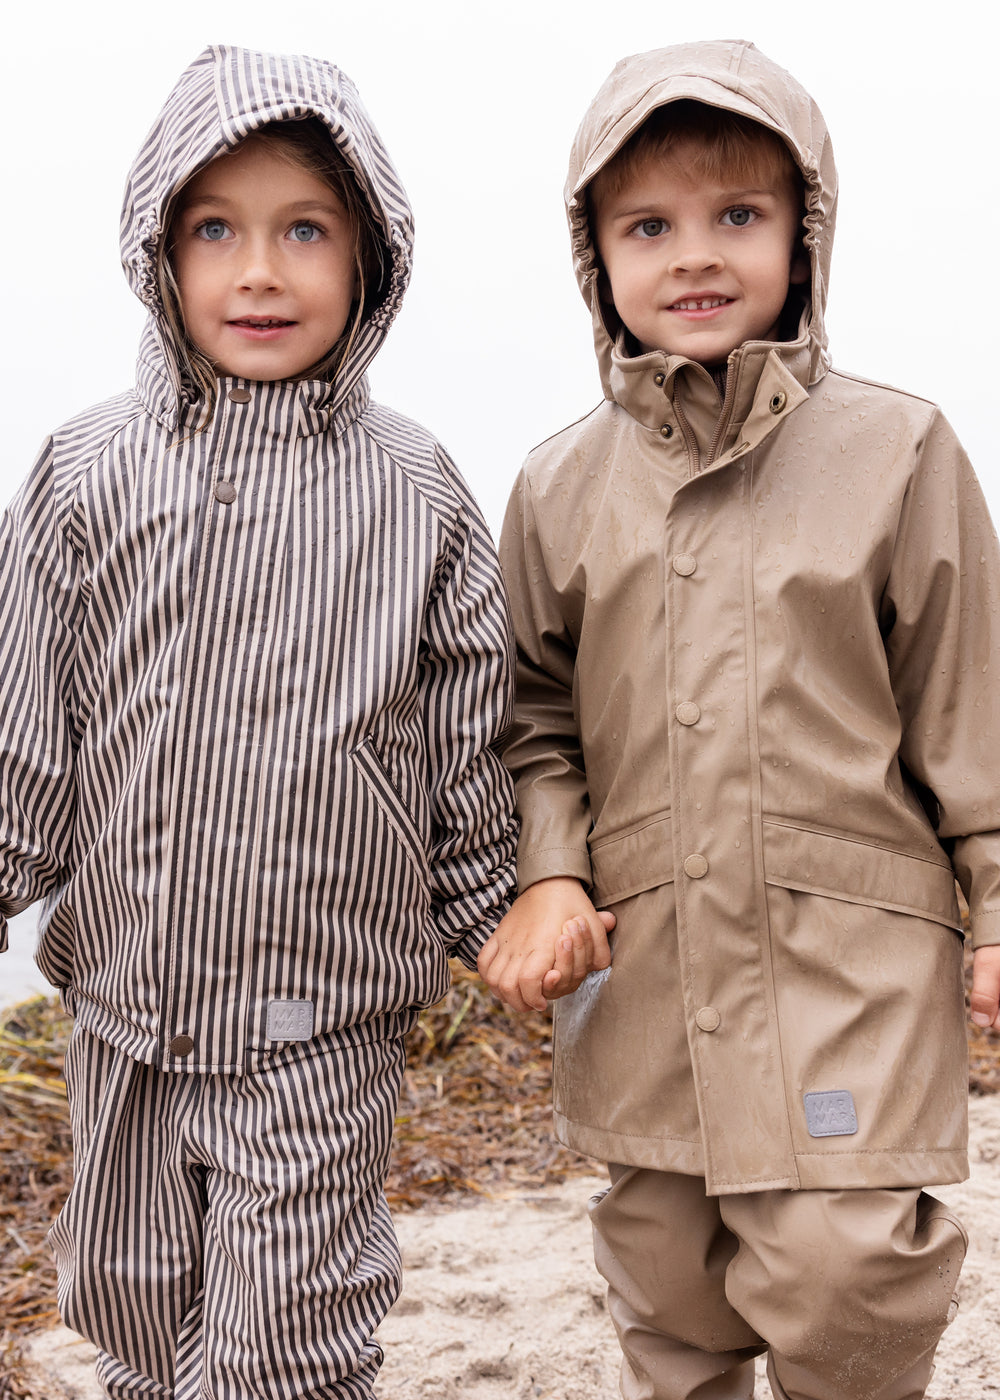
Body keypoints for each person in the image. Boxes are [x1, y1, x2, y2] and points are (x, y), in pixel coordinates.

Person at [478, 38, 1000, 1400]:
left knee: (847, 1266)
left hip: (850, 966)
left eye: (739, 217)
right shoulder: (557, 487)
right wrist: (549, 870)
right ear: (595, 255)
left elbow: (971, 701)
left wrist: (997, 903)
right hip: (643, 963)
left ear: (805, 235)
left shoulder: (898, 450)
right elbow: (535, 717)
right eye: (649, 225)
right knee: (668, 1275)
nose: (695, 256)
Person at [0, 44, 517, 1400]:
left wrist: (502, 908)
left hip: (320, 1010)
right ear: (158, 252)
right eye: (215, 229)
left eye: (305, 230)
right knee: (133, 1305)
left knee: (285, 1334)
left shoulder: (414, 489)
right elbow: (26, 737)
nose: (261, 272)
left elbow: (463, 725)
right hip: (121, 1005)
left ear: (370, 261)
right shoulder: (84, 472)